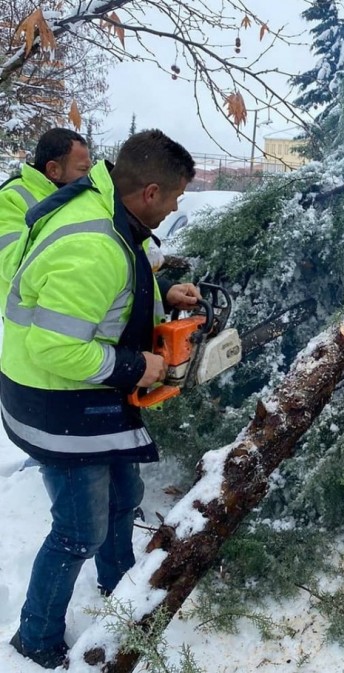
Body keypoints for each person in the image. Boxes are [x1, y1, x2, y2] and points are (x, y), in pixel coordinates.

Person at [0, 129, 199, 669]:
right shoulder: (93, 244)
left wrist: (160, 295)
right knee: (78, 528)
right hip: (53, 399)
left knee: (125, 487)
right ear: (152, 192)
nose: (178, 205)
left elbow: (115, 288)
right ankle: (35, 639)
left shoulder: (112, 211)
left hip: (82, 390)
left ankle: (122, 587)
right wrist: (139, 365)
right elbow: (53, 347)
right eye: (177, 196)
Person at [0, 128, 92, 305]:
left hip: (66, 310)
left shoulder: (75, 197)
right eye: (82, 170)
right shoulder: (10, 198)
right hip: (25, 321)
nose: (88, 178)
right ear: (53, 170)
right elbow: (12, 265)